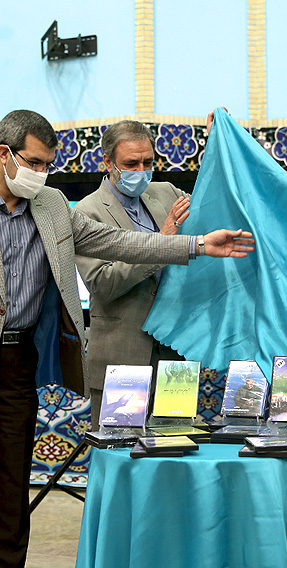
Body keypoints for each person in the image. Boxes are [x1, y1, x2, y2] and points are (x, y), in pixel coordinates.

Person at [0, 109, 253, 568]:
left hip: (17, 368)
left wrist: (198, 244)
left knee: (8, 498)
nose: (41, 173)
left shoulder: (51, 205)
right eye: (33, 162)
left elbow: (119, 243)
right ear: (4, 154)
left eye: (48, 165)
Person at [74, 115, 221, 429]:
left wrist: (217, 144)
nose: (141, 171)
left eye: (148, 162)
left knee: (176, 441)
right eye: (131, 164)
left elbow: (214, 207)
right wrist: (162, 242)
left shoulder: (166, 193)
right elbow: (102, 283)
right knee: (119, 447)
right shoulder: (86, 211)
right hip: (122, 357)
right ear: (108, 162)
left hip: (175, 355)